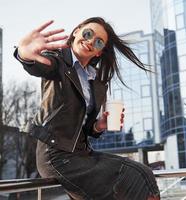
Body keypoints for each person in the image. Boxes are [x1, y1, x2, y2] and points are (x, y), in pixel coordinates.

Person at [14, 17, 160, 200]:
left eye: (98, 42)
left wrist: (98, 126)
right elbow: (40, 66)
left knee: (142, 172)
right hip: (56, 155)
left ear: (99, 52)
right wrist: (24, 53)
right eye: (88, 34)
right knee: (132, 176)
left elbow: (81, 127)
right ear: (77, 32)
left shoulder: (95, 81)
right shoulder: (59, 62)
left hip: (82, 154)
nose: (90, 41)